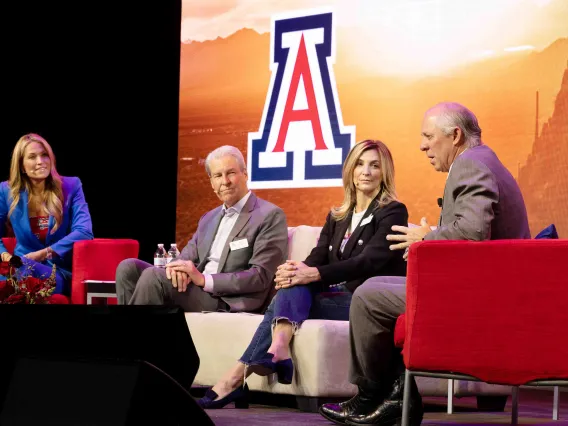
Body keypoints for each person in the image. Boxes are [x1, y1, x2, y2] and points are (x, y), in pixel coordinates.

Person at [320, 102, 530, 426]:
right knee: (374, 290)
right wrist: (432, 234)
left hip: (481, 296)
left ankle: (371, 396)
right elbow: (475, 229)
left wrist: (425, 237)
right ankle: (395, 398)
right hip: (485, 287)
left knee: (367, 296)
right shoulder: (483, 160)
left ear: (455, 135)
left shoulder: (470, 165)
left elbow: (473, 233)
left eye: (428, 136)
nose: (422, 145)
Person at [197, 139, 409, 410]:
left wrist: (311, 274)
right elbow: (316, 257)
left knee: (288, 294)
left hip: (365, 304)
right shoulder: (338, 215)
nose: (365, 171)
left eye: (374, 165)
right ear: (350, 170)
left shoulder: (392, 211)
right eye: (359, 164)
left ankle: (239, 375)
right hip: (336, 296)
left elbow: (368, 262)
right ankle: (275, 350)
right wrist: (295, 271)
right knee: (293, 284)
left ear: (385, 172)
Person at [115, 145, 289, 313]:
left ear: (245, 174)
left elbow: (260, 276)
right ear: (212, 183)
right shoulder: (208, 218)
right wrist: (178, 269)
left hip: (228, 300)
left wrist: (204, 279)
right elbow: (185, 257)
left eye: (231, 173)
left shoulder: (269, 215)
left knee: (154, 277)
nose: (225, 181)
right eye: (218, 176)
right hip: (198, 291)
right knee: (128, 268)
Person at [0, 133, 94, 296]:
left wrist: (44, 253)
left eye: (45, 155)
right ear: (22, 166)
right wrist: (5, 255)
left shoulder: (71, 186)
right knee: (20, 273)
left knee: (19, 278)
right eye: (32, 157)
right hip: (21, 268)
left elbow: (84, 231)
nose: (40, 162)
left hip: (58, 272)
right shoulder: (6, 191)